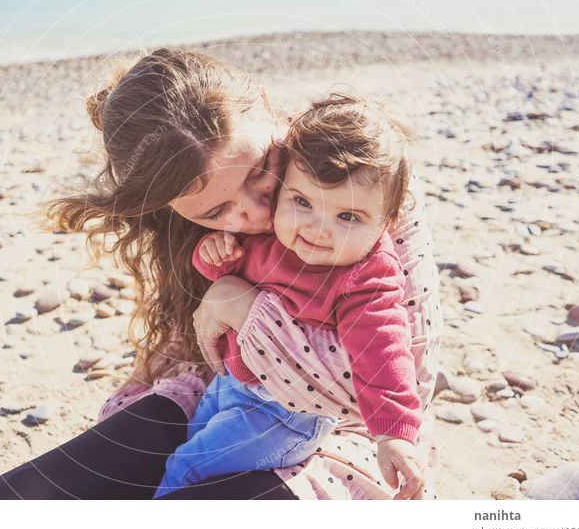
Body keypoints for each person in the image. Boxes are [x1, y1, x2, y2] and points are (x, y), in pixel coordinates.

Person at [0, 48, 441, 500]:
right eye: (215, 211)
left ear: (266, 106)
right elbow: (195, 352)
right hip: (222, 388)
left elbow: (397, 374)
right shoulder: (182, 206)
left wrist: (241, 304)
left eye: (259, 171)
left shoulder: (367, 180)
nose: (253, 213)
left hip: (349, 437)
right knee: (29, 496)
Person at [153, 93, 424, 499]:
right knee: (191, 448)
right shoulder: (278, 237)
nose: (318, 228)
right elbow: (231, 273)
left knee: (186, 468)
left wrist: (393, 433)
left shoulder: (365, 275)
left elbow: (383, 351)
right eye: (302, 201)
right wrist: (213, 259)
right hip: (232, 384)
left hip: (285, 414)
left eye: (347, 216)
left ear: (389, 220)